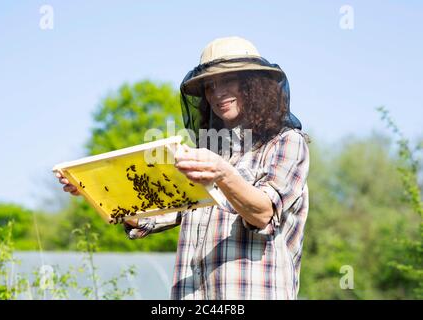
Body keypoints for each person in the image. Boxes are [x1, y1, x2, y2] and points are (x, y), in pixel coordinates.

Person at [56, 36, 310, 300]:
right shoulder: (210, 153)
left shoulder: (286, 143)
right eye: (209, 86)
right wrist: (93, 188)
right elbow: (149, 215)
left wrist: (222, 174)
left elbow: (263, 214)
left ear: (254, 85)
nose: (216, 93)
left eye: (227, 80)